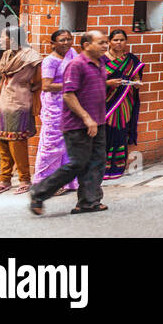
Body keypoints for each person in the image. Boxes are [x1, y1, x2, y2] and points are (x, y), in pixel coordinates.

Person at [29, 30, 110, 215]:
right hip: (78, 124)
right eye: (100, 42)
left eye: (106, 42)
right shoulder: (77, 65)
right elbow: (68, 94)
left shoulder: (100, 63)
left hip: (97, 121)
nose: (105, 46)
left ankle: (88, 202)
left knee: (97, 162)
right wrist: (86, 118)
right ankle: (39, 192)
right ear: (86, 45)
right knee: (77, 163)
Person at [0, 27, 41, 196]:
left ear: (14, 38)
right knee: (3, 141)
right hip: (4, 102)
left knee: (17, 142)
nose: (0, 41)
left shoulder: (31, 56)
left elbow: (40, 81)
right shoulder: (7, 55)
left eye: (3, 37)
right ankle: (5, 179)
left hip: (19, 103)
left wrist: (26, 90)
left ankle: (24, 179)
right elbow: (3, 81)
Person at [33, 29, 78, 193]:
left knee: (68, 144)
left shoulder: (72, 53)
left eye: (68, 39)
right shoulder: (50, 62)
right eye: (61, 40)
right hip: (54, 108)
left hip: (69, 105)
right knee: (51, 145)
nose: (66, 43)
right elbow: (46, 86)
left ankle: (68, 181)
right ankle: (44, 184)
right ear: (53, 44)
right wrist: (71, 86)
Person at [102, 29, 144, 179]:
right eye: (115, 40)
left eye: (122, 40)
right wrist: (108, 83)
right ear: (109, 42)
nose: (119, 43)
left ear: (126, 42)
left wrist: (137, 84)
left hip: (124, 102)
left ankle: (117, 167)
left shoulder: (131, 60)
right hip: (105, 103)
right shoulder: (101, 60)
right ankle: (102, 168)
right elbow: (92, 82)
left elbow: (136, 78)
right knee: (105, 133)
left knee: (120, 131)